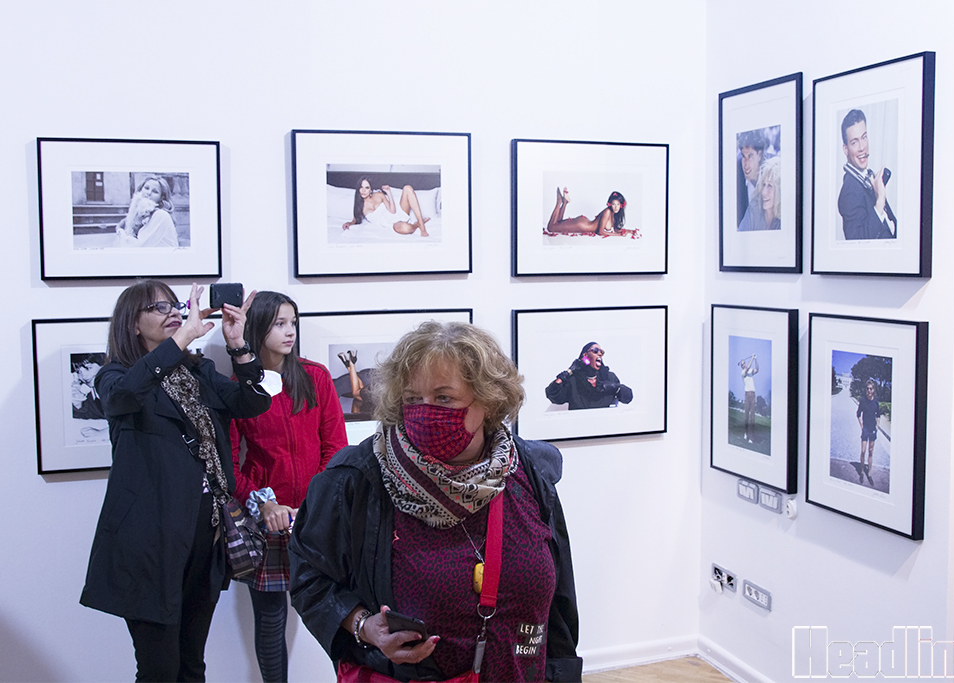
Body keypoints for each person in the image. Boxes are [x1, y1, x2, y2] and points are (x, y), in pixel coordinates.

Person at [289, 321, 582, 683]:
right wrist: (364, 626)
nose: (426, 411)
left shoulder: (526, 472)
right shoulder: (357, 478)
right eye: (413, 399)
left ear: (488, 400)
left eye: (444, 398)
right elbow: (309, 576)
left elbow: (559, 604)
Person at [80, 280, 271, 682]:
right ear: (132, 323)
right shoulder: (114, 376)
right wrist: (183, 336)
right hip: (149, 543)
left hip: (206, 534)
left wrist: (238, 344)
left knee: (191, 664)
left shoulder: (197, 370)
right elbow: (123, 397)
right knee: (159, 669)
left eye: (174, 305)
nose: (172, 313)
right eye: (158, 307)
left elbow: (251, 402)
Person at [230, 291, 349, 683]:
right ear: (257, 327)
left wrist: (315, 502)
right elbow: (229, 466)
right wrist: (264, 504)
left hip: (317, 517)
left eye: (293, 323)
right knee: (270, 619)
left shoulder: (315, 377)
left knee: (337, 612)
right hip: (268, 521)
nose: (290, 332)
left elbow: (336, 448)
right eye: (280, 324)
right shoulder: (238, 388)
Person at [837, 109, 897, 240]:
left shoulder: (868, 176)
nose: (862, 147)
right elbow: (856, 241)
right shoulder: (849, 192)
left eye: (864, 137)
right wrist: (880, 200)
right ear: (845, 149)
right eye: (854, 142)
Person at [545, 342, 633, 411]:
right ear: (585, 356)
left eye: (601, 352)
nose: (600, 354)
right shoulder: (573, 380)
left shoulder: (609, 377)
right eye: (595, 350)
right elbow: (553, 395)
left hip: (605, 425)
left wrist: (615, 386)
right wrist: (569, 371)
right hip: (579, 426)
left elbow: (627, 398)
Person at [343, 176, 431, 236]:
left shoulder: (379, 195)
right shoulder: (360, 206)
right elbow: (355, 219)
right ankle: (416, 224)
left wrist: (389, 193)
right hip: (392, 224)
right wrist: (349, 223)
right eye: (361, 187)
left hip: (398, 213)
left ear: (370, 189)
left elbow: (393, 211)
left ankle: (422, 226)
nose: (363, 190)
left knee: (407, 188)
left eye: (367, 187)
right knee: (406, 228)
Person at [116, 176, 179, 248]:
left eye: (155, 192)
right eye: (146, 188)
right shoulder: (137, 213)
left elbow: (140, 246)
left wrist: (122, 234)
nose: (149, 193)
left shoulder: (161, 215)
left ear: (161, 197)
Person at [545, 188, 632, 236]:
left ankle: (565, 203)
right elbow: (600, 232)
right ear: (610, 204)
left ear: (621, 205)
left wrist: (628, 231)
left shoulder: (614, 214)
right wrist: (618, 235)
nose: (616, 207)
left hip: (585, 223)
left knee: (558, 223)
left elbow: (616, 229)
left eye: (618, 204)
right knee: (551, 227)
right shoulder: (608, 212)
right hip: (582, 226)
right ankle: (559, 202)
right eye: (613, 204)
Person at [737, 157, 782, 232]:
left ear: (780, 190)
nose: (764, 192)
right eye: (763, 184)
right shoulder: (754, 208)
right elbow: (741, 235)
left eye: (770, 186)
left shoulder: (786, 219)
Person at [736, 129, 766, 225]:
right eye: (743, 156)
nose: (746, 164)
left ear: (759, 155)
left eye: (750, 156)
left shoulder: (772, 169)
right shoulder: (735, 172)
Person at [857, 380, 881, 487]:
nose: (869, 391)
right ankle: (862, 471)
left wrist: (877, 426)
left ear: (873, 390)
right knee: (863, 451)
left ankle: (869, 473)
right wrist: (861, 425)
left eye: (871, 389)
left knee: (870, 451)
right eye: (867, 389)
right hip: (865, 429)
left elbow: (878, 415)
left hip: (872, 429)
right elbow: (858, 414)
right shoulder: (863, 400)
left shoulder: (876, 402)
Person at [738, 355, 758, 443]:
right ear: (741, 366)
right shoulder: (743, 372)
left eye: (744, 363)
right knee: (746, 417)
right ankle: (746, 433)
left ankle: (751, 438)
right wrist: (752, 358)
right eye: (742, 364)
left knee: (752, 417)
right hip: (747, 395)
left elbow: (757, 369)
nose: (743, 365)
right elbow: (748, 367)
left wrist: (756, 359)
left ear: (745, 363)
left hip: (753, 394)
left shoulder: (750, 371)